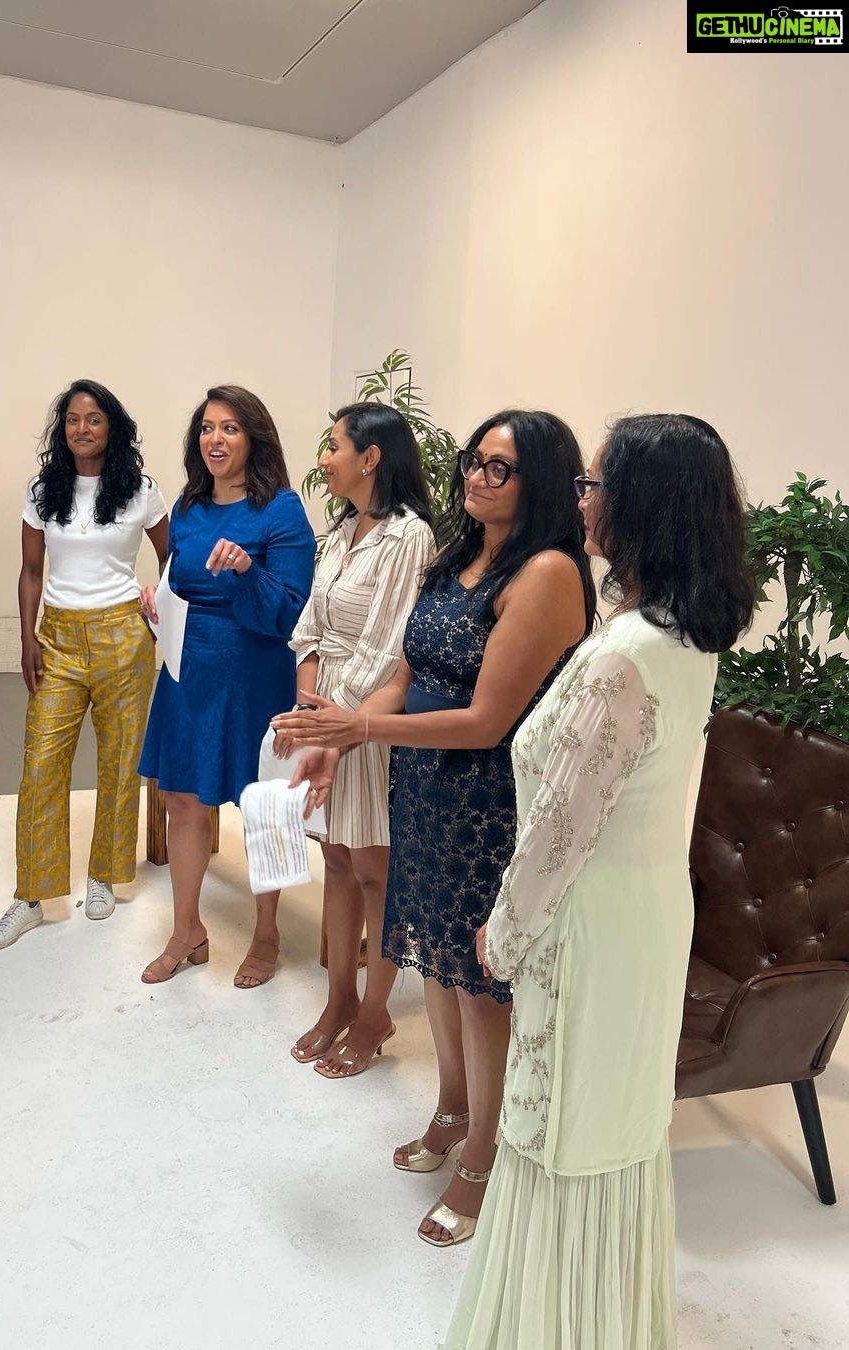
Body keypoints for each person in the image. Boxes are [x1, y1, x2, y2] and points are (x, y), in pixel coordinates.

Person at [442, 414, 754, 1349]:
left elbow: (559, 831)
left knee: (564, 1133)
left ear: (641, 506)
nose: (581, 501)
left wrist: (503, 933)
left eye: (594, 484)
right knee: (614, 1130)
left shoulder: (624, 658)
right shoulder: (684, 637)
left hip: (586, 926)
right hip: (647, 916)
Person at [273, 410, 595, 1245]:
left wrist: (360, 728)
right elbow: (406, 671)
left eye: (499, 467)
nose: (476, 478)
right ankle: (452, 1108)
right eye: (473, 463)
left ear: (541, 481)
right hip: (424, 786)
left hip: (488, 800)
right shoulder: (462, 555)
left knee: (482, 983)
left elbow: (488, 720)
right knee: (442, 967)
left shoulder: (548, 571)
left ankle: (485, 1154)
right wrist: (340, 739)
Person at [138, 385, 315, 987]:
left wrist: (245, 570)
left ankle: (267, 934)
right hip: (188, 673)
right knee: (182, 801)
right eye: (208, 428)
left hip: (254, 677)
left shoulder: (282, 511)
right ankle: (186, 928)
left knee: (265, 807)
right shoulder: (188, 507)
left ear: (254, 439)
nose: (215, 439)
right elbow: (179, 581)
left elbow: (290, 614)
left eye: (230, 428)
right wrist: (156, 600)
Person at [0, 379, 168, 952]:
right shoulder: (43, 491)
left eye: (93, 419)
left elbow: (173, 556)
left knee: (119, 762)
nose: (81, 429)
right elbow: (31, 571)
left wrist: (155, 599)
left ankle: (104, 874)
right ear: (61, 429)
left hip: (123, 637)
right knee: (41, 763)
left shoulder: (140, 490)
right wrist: (28, 637)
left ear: (112, 427)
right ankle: (31, 896)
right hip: (58, 638)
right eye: (72, 419)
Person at [281, 403, 435, 1075]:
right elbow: (310, 629)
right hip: (327, 708)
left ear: (371, 458)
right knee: (338, 861)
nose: (324, 459)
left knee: (375, 870)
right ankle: (339, 997)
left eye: (334, 446)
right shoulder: (341, 530)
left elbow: (386, 647)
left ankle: (376, 1013)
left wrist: (336, 721)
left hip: (369, 716)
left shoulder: (408, 537)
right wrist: (309, 708)